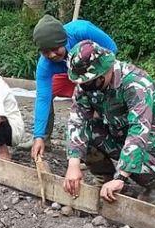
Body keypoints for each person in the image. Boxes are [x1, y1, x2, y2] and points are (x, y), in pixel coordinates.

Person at [62, 40, 155, 203]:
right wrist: (73, 164)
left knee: (140, 166)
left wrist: (121, 177)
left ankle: (152, 183)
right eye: (82, 83)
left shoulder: (135, 84)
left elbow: (139, 130)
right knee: (85, 135)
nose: (85, 86)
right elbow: (77, 121)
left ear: (106, 70)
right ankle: (106, 179)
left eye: (90, 81)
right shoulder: (86, 85)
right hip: (118, 131)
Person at [30, 15, 117, 160]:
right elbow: (42, 98)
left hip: (91, 69)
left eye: (55, 49)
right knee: (47, 95)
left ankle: (98, 144)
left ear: (63, 41)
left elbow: (112, 49)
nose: (51, 55)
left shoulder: (83, 30)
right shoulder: (45, 65)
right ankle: (44, 139)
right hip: (64, 72)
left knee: (94, 102)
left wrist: (97, 84)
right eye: (45, 52)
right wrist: (38, 135)